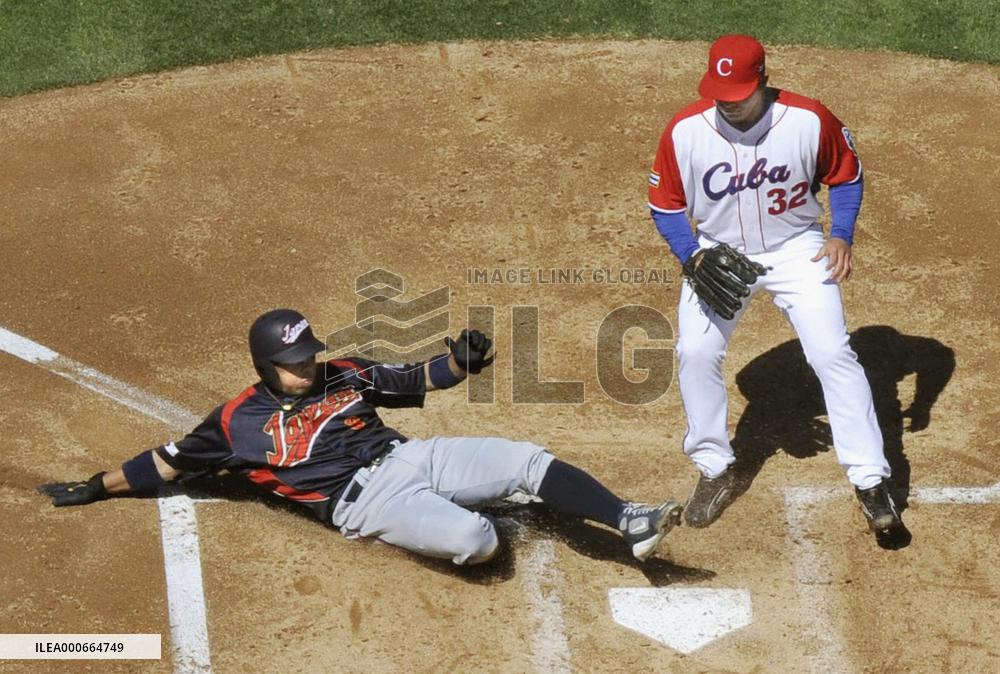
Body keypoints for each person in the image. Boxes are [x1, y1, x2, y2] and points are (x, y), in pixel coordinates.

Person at [39, 309, 682, 564]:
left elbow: (418, 377)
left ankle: (629, 518)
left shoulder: (342, 373)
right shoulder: (234, 423)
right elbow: (167, 461)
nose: (310, 365)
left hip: (410, 456)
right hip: (363, 503)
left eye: (311, 355)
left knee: (524, 460)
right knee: (477, 541)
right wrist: (98, 485)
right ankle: (470, 509)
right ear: (266, 368)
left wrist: (464, 360)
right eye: (296, 361)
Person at [646, 34, 902, 535]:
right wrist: (692, 255)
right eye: (720, 94)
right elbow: (666, 204)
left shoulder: (808, 119)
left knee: (832, 354)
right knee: (695, 353)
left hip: (797, 248)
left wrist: (841, 234)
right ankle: (714, 468)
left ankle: (870, 480)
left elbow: (846, 175)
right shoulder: (684, 131)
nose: (728, 105)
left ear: (762, 82)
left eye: (739, 96)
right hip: (718, 252)